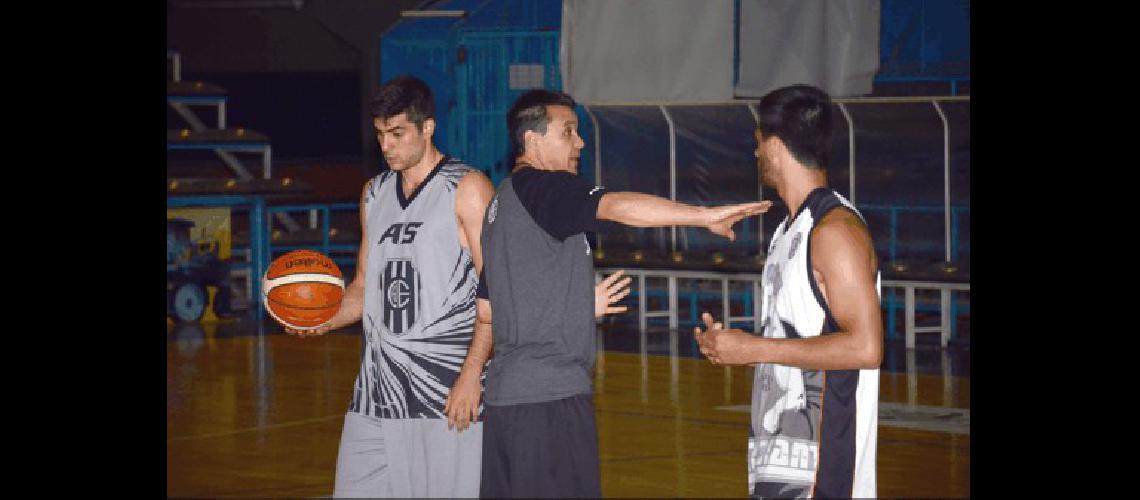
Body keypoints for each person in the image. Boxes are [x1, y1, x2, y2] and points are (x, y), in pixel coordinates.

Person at [476, 88, 773, 498]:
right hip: (547, 403)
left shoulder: (503, 203)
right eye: (569, 132)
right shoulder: (545, 189)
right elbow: (617, 206)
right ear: (532, 141)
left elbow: (490, 307)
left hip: (507, 402)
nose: (580, 142)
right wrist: (701, 216)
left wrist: (574, 307)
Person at [273, 75, 495, 498]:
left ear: (427, 128)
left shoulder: (467, 188)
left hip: (444, 388)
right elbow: (362, 288)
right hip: (377, 390)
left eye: (397, 134)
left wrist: (472, 376)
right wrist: (320, 319)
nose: (386, 145)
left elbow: (496, 290)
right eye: (380, 135)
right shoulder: (373, 194)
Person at [693, 84, 883, 498]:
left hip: (824, 467)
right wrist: (734, 348)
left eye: (758, 143)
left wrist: (756, 349)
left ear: (776, 147)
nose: (756, 153)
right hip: (781, 457)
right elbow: (796, 343)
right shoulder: (787, 231)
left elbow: (865, 348)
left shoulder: (836, 231)